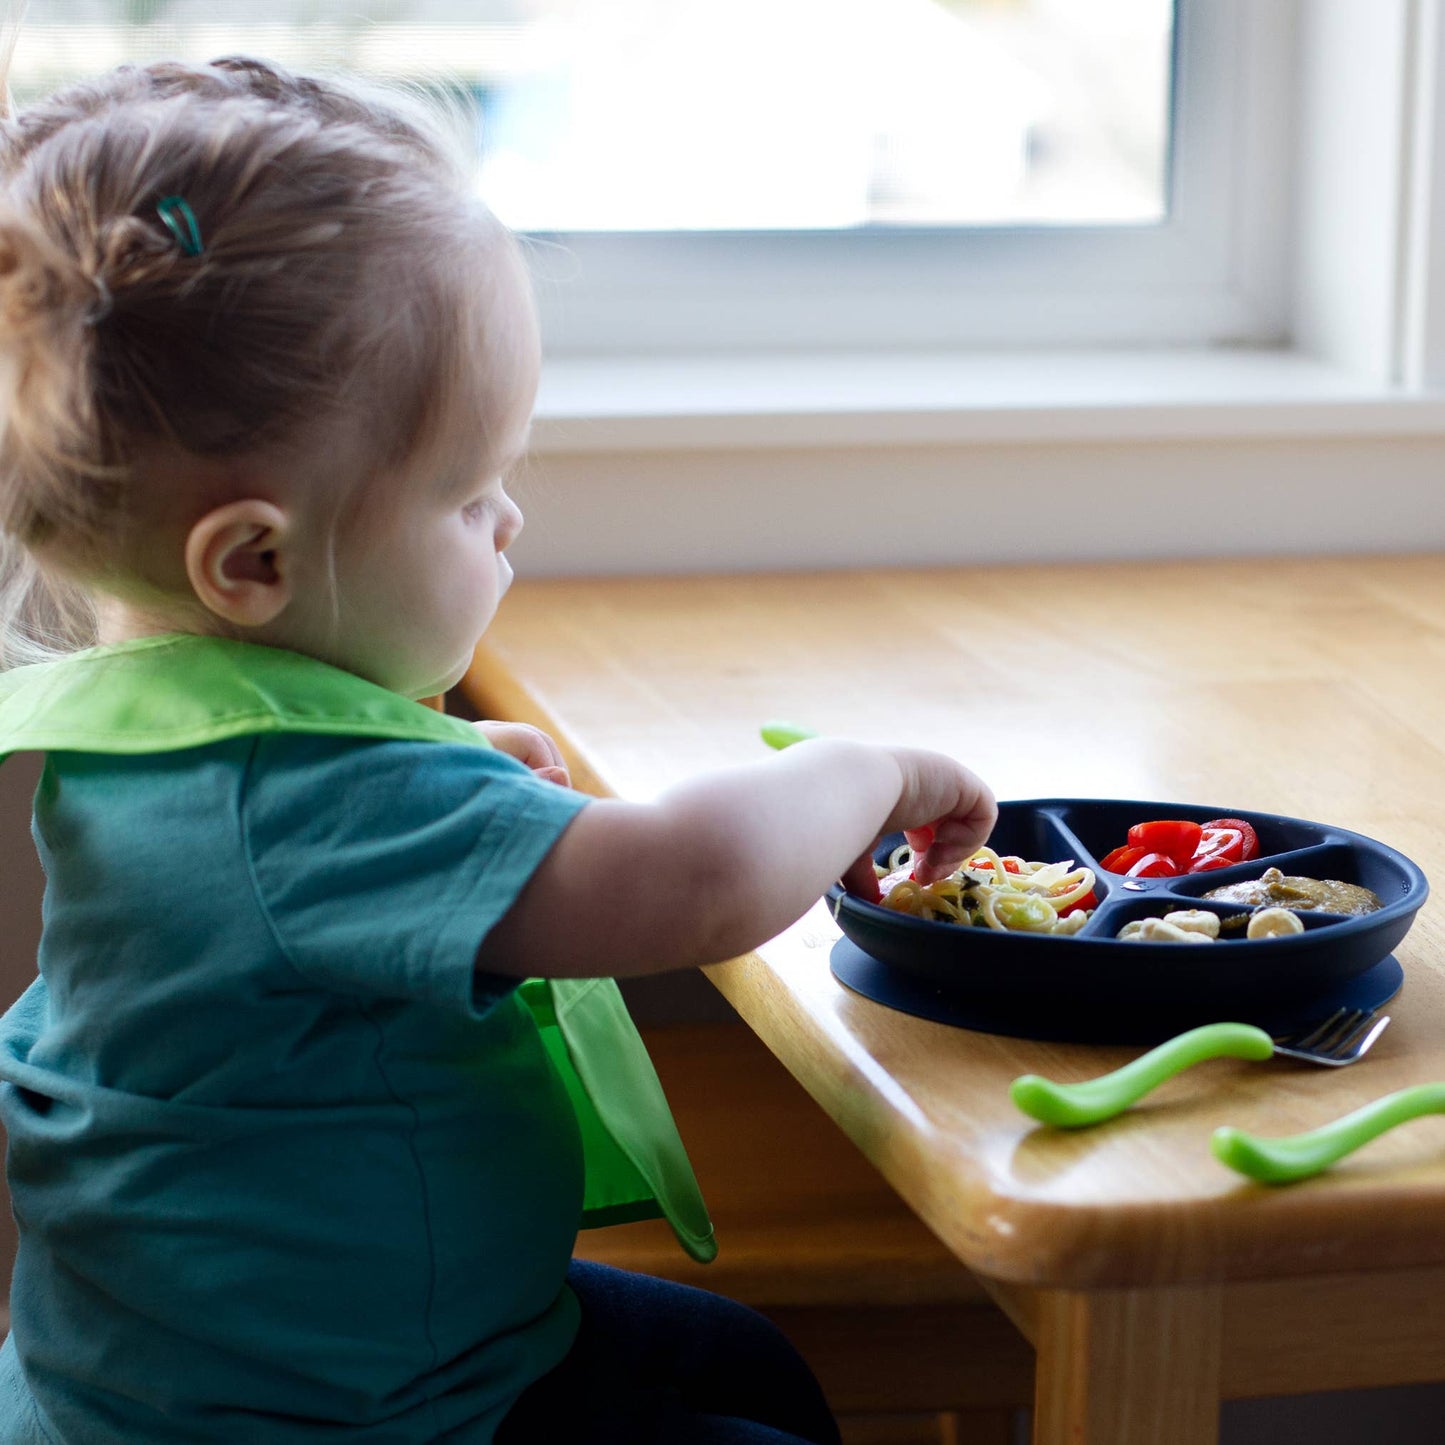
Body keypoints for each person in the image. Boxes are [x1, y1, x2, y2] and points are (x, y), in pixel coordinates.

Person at [0, 49, 997, 1445]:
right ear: (254, 560)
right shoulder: (309, 803)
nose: (510, 523)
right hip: (327, 1420)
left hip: (283, 1349)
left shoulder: (161, 724)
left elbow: (308, 869)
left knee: (746, 1363)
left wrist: (461, 779)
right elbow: (692, 878)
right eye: (470, 495)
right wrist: (873, 770)